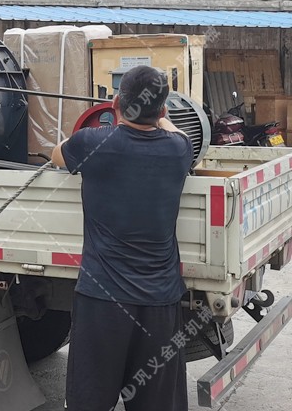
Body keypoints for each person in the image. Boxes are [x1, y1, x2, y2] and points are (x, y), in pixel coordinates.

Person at [51, 65, 193, 411]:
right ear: (163, 110)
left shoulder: (93, 144)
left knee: (89, 401)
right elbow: (178, 133)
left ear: (115, 103)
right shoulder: (179, 151)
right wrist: (161, 119)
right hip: (160, 304)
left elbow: (56, 154)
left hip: (102, 302)